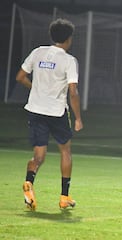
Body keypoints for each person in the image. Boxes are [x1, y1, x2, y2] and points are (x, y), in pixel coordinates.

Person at [16, 18, 83, 211]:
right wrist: (78, 118)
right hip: (56, 112)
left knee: (38, 157)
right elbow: (73, 92)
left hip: (35, 110)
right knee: (65, 151)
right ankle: (64, 196)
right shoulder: (69, 60)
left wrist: (36, 88)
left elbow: (20, 77)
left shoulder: (38, 52)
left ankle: (29, 183)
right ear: (69, 39)